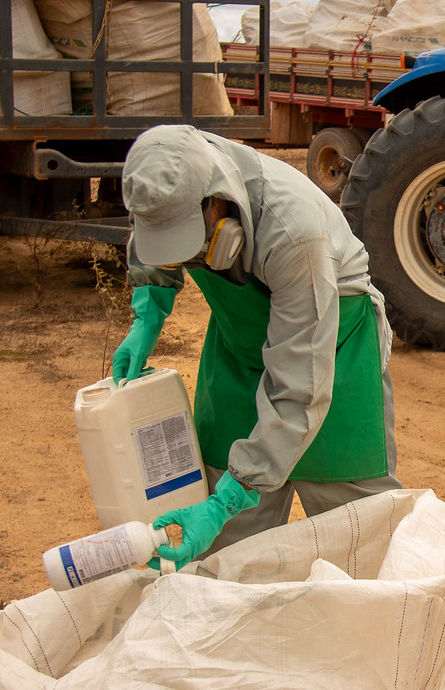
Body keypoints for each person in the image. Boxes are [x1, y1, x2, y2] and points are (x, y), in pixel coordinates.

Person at [111, 124, 399, 567]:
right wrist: (148, 312)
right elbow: (153, 229)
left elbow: (300, 386)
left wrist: (228, 499)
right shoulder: (165, 178)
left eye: (189, 240)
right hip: (239, 347)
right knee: (226, 554)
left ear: (217, 199)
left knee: (359, 539)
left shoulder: (294, 232)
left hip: (331, 350)